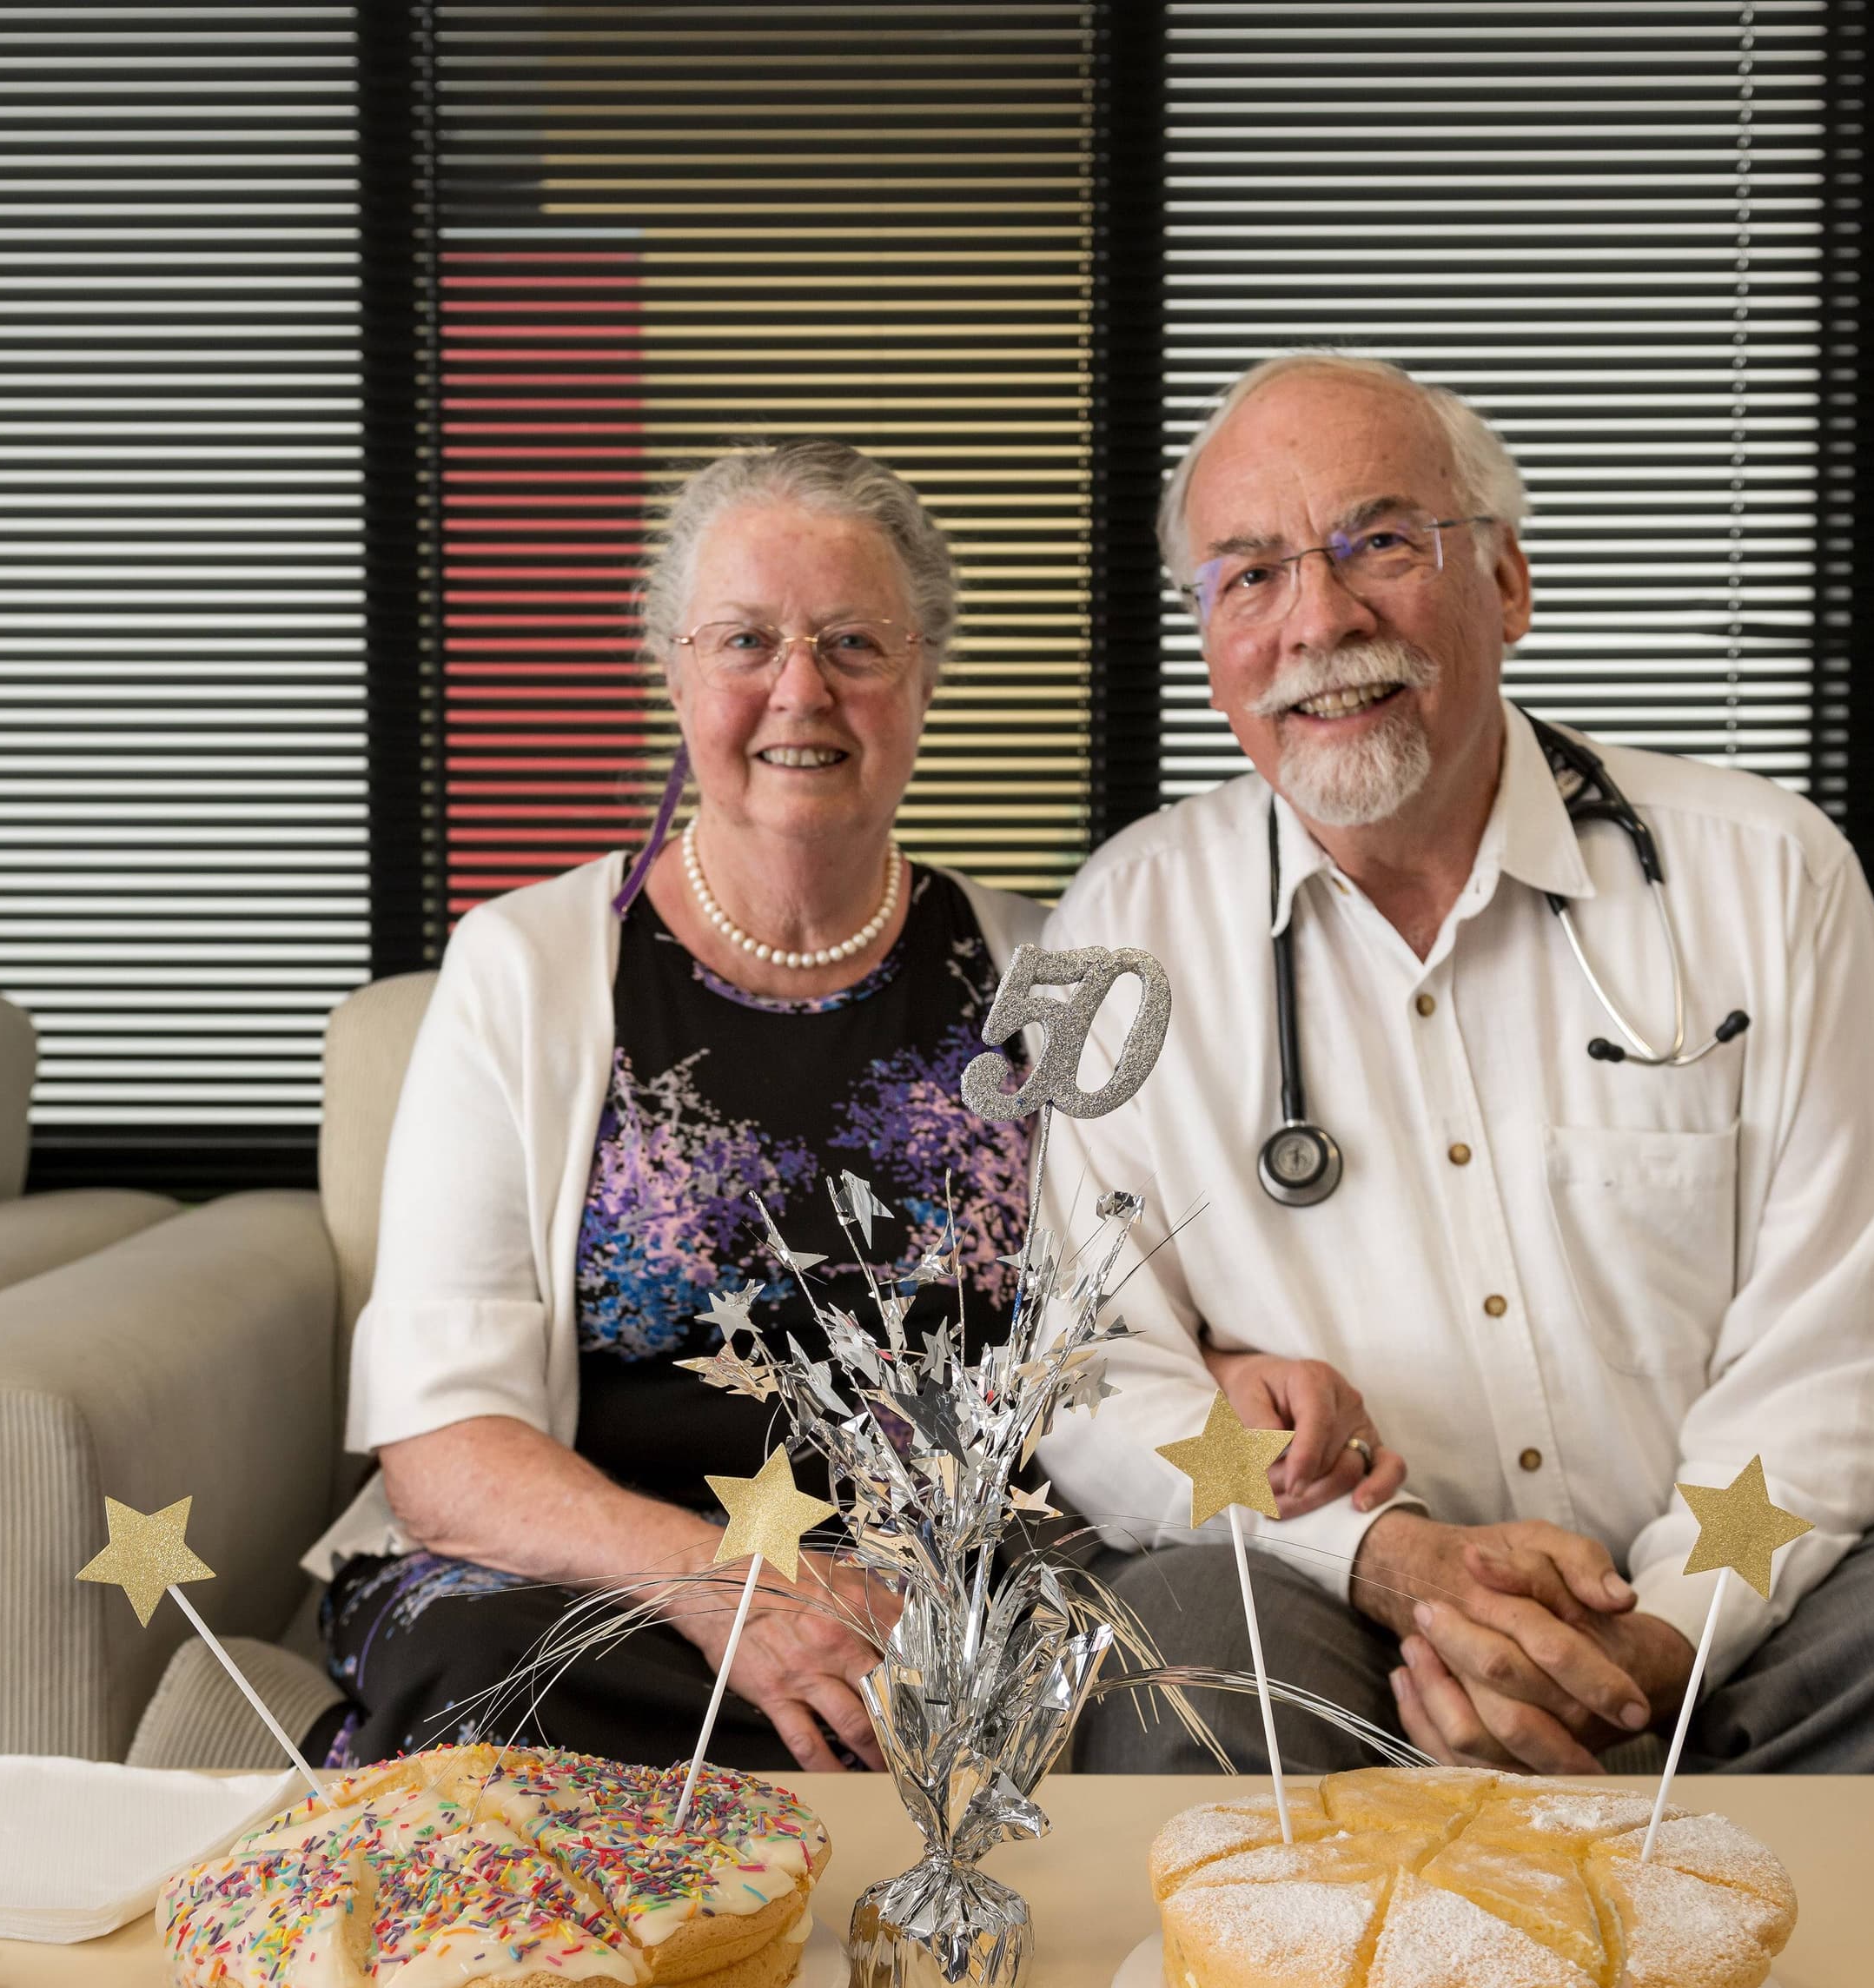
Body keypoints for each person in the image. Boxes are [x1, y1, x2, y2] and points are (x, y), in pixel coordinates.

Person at [1032, 353, 1874, 1775]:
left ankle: (1676, 1893)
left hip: (1731, 1632)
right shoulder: (1116, 926)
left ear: (1509, 585)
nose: (1321, 619)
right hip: (1338, 1615)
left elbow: (1833, 1358)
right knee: (1179, 1653)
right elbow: (1092, 1376)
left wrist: (1653, 1639)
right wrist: (1381, 1558)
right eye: (1249, 575)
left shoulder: (1773, 880)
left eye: (1381, 544)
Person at [306, 441, 1386, 1774]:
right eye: (746, 639)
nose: (800, 689)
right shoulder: (526, 967)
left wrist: (1226, 1373)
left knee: (1193, 1674)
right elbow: (443, 1441)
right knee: (493, 1682)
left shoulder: (1045, 977)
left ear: (925, 677)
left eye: (856, 643)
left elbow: (1119, 1318)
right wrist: (722, 1587)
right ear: (675, 670)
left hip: (975, 1586)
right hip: (620, 1585)